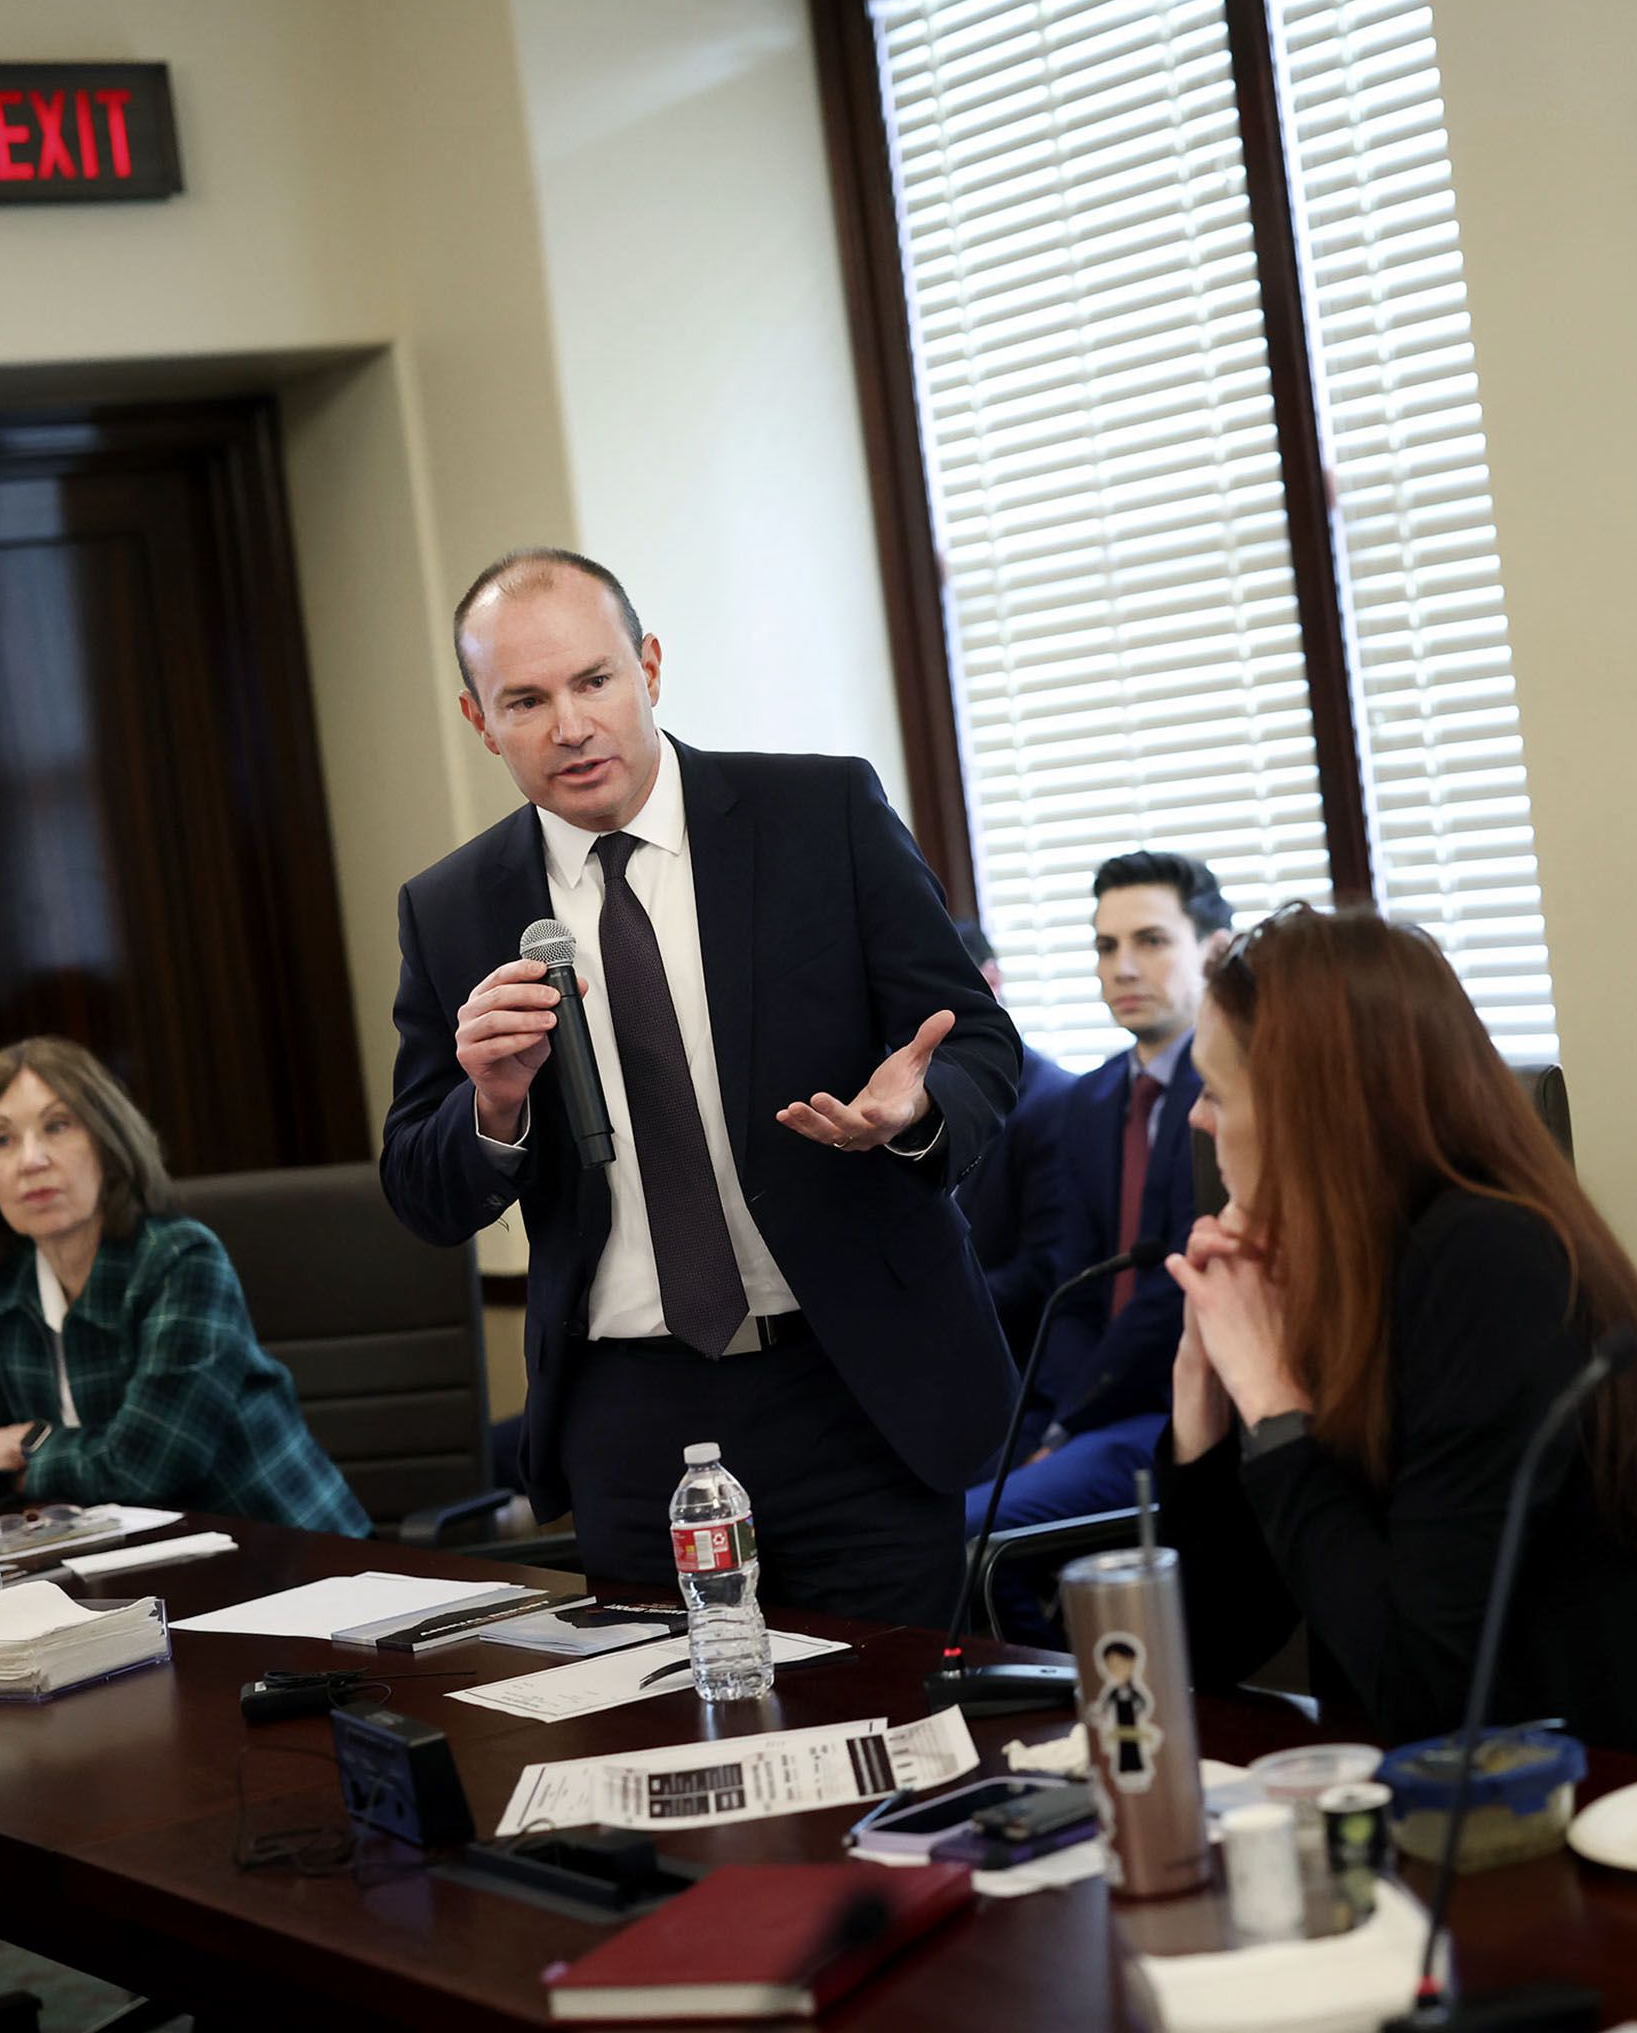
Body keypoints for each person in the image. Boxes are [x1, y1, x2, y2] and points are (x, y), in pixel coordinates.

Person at [379, 549, 1019, 1620]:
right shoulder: (451, 908)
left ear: (651, 668)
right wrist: (490, 1105)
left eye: (593, 681)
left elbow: (981, 1048)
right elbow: (420, 1184)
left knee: (899, 1750)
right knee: (678, 1749)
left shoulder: (821, 814)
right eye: (525, 701)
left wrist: (913, 1114)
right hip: (629, 1414)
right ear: (478, 719)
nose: (570, 726)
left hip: (852, 1383)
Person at [1157, 906, 1637, 1755]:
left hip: (1608, 1805)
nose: (1198, 1122)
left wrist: (1273, 1400)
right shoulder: (1339, 1266)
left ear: (1305, 1111)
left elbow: (1426, 1687)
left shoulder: (1489, 1261)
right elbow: (1207, 1648)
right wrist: (1203, 1398)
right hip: (1445, 1813)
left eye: (1215, 1091)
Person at [0, 1036, 366, 1535]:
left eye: (57, 1126)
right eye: (2, 1140)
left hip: (286, 1555)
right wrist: (22, 1462)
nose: (30, 1160)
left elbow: (150, 1467)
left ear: (108, 1141)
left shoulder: (179, 1260)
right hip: (118, 1564)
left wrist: (33, 1446)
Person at [967, 851, 1230, 1542]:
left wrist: (1068, 1423)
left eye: (1151, 940)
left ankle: (1067, 1654)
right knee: (904, 1518)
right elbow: (1072, 1284)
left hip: (1176, 1404)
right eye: (1106, 946)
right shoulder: (1090, 1098)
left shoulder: (1236, 1097)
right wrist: (1056, 1415)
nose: (1123, 967)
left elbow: (1177, 1288)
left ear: (1215, 951)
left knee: (970, 1532)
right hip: (1073, 1403)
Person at [950, 919, 1076, 1350]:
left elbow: (1045, 1271)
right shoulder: (893, 1102)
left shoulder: (1053, 1100)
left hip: (1017, 1356)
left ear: (992, 979)